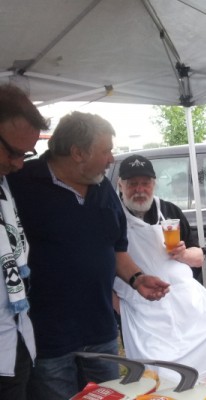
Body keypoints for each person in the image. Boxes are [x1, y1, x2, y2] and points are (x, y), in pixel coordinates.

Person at [6, 111, 170, 400]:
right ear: (78, 152)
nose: (111, 159)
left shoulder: (103, 187)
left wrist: (137, 278)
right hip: (48, 337)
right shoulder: (22, 182)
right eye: (106, 150)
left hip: (100, 329)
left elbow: (115, 247)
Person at [113, 154, 206, 382]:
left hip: (189, 305)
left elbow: (199, 258)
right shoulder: (112, 216)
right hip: (144, 311)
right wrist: (121, 309)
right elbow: (101, 268)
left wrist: (183, 254)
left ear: (154, 184)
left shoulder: (170, 211)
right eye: (132, 184)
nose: (139, 190)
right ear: (120, 184)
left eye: (145, 183)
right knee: (163, 376)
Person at [0, 85, 48, 400]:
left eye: (26, 154)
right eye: (13, 152)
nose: (19, 164)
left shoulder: (4, 184)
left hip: (15, 341)